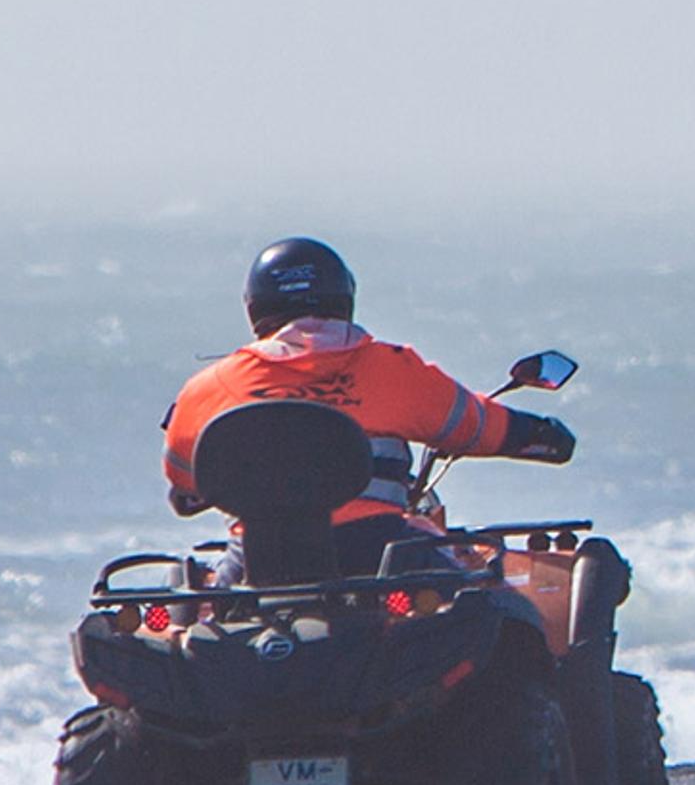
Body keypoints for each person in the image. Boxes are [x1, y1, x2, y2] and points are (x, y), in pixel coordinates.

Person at [161, 238, 575, 563]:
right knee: (487, 593)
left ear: (255, 306)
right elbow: (479, 427)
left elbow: (184, 482)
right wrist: (542, 434)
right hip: (378, 553)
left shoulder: (209, 388)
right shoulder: (393, 369)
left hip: (256, 564)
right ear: (342, 296)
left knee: (192, 615)